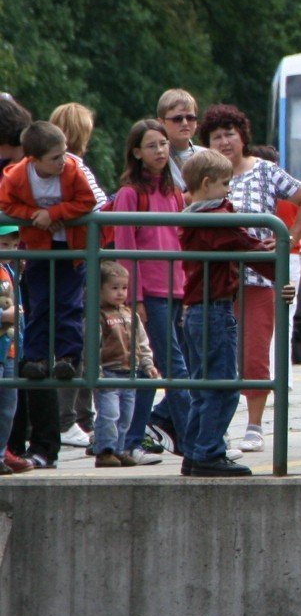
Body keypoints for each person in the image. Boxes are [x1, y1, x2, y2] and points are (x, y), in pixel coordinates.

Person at [199, 106, 301, 453]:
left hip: (257, 278)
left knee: (254, 354)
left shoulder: (263, 169)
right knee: (214, 355)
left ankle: (254, 425)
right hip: (214, 277)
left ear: (242, 136)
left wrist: (289, 238)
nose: (224, 141)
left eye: (229, 134)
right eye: (216, 136)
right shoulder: (203, 173)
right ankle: (213, 429)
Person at [0, 122, 99, 466]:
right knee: (39, 304)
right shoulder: (16, 176)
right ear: (33, 159)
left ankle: (68, 358)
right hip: (40, 248)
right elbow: (7, 203)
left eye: (63, 155)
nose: (62, 162)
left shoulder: (71, 170)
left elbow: (87, 201)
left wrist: (55, 213)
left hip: (70, 248)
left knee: (70, 305)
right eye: (55, 158)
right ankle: (38, 358)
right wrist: (35, 218)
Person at [177, 148, 277, 477]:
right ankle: (208, 452)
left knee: (204, 387)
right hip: (214, 310)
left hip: (199, 310)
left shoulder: (198, 215)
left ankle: (195, 452)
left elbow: (241, 242)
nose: (229, 191)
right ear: (207, 184)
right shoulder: (214, 219)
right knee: (223, 385)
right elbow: (242, 244)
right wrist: (275, 262)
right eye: (225, 184)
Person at [111, 119, 188, 457]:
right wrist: (135, 298)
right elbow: (125, 248)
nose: (160, 150)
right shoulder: (130, 194)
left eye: (163, 144)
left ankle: (134, 438)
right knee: (172, 368)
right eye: (152, 145)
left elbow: (182, 241)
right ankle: (194, 442)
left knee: (153, 367)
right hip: (150, 294)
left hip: (178, 291)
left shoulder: (174, 192)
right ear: (137, 153)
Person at [47, 103, 108, 450]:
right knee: (76, 337)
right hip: (71, 261)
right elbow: (97, 205)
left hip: (69, 259)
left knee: (76, 336)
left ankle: (79, 417)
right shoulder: (72, 166)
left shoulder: (52, 166)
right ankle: (68, 418)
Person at [92, 261, 158, 467]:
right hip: (108, 372)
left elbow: (142, 342)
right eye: (114, 288)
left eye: (124, 288)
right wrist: (95, 370)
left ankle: (119, 449)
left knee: (125, 417)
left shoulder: (130, 315)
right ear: (100, 289)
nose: (120, 293)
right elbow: (92, 345)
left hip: (130, 372)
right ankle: (105, 450)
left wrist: (147, 363)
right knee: (109, 414)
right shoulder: (98, 315)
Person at [0, 223, 28, 474]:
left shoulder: (10, 269)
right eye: (4, 244)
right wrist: (5, 315)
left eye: (14, 245)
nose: (10, 249)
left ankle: (1, 453)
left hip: (9, 350)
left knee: (9, 406)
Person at [156, 90, 199, 190]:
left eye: (190, 118)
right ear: (161, 122)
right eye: (177, 119)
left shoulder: (207, 157)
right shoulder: (155, 158)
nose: (185, 123)